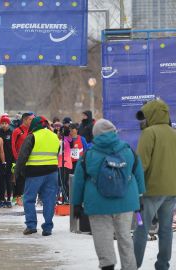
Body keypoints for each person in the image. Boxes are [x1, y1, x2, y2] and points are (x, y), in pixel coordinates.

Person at [72, 119, 145, 270]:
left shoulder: (88, 155)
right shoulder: (128, 151)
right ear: (114, 132)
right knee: (125, 237)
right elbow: (138, 175)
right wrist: (140, 197)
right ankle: (129, 267)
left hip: (98, 204)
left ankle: (107, 265)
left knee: (102, 238)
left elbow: (78, 181)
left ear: (95, 134)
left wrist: (77, 204)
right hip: (126, 202)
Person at [133, 99, 176, 270]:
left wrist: (134, 187)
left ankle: (133, 265)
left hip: (150, 191)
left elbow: (141, 164)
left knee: (141, 229)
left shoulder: (149, 133)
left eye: (145, 116)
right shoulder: (174, 133)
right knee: (166, 230)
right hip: (171, 190)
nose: (143, 121)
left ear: (151, 115)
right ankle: (163, 265)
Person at [15, 116, 59, 236]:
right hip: (52, 172)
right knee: (49, 200)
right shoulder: (54, 136)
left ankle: (31, 225)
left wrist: (17, 173)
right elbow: (57, 152)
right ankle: (48, 227)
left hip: (35, 173)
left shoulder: (32, 136)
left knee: (29, 199)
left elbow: (22, 156)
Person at [11, 112, 35, 206]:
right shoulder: (17, 131)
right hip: (19, 159)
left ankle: (26, 196)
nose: (32, 121)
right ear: (25, 120)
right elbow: (13, 145)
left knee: (28, 178)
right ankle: (17, 197)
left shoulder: (32, 131)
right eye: (30, 119)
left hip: (30, 159)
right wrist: (17, 159)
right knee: (18, 178)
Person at [0, 115, 14, 207]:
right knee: (0, 179)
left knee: (8, 179)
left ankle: (8, 199)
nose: (4, 125)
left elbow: (13, 147)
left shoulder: (11, 133)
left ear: (8, 124)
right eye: (2, 123)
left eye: (5, 123)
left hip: (9, 159)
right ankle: (1, 198)